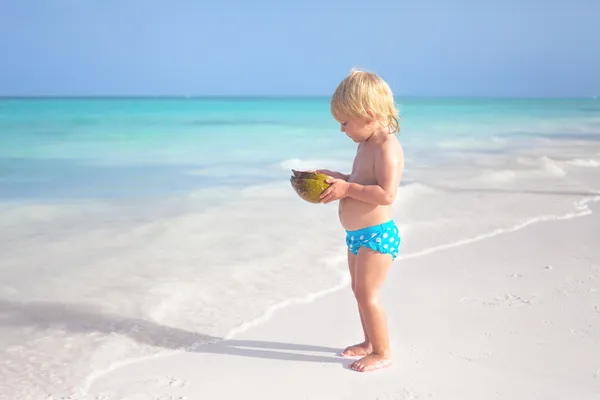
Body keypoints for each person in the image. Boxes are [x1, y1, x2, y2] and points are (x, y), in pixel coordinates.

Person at [317, 68, 404, 372]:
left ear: (367, 114)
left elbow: (386, 194)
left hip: (377, 235)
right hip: (356, 235)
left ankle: (383, 352)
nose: (342, 130)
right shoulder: (364, 144)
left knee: (369, 294)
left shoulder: (386, 147)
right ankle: (369, 342)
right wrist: (338, 179)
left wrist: (348, 188)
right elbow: (358, 180)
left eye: (344, 122)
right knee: (358, 291)